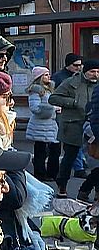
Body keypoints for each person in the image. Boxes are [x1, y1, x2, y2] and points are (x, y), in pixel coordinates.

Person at [50, 59, 99, 198]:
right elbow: (53, 98)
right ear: (85, 71)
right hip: (73, 125)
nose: (95, 75)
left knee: (95, 161)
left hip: (93, 126)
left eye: (98, 72)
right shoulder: (72, 82)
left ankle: (93, 192)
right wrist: (73, 102)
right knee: (69, 158)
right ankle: (62, 187)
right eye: (92, 72)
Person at [27, 66, 61, 182]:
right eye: (45, 75)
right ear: (39, 77)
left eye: (48, 74)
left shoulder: (50, 89)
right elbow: (35, 108)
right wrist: (52, 109)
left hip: (51, 123)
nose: (49, 76)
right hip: (40, 124)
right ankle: (40, 173)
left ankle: (53, 173)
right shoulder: (36, 90)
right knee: (41, 150)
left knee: (55, 149)